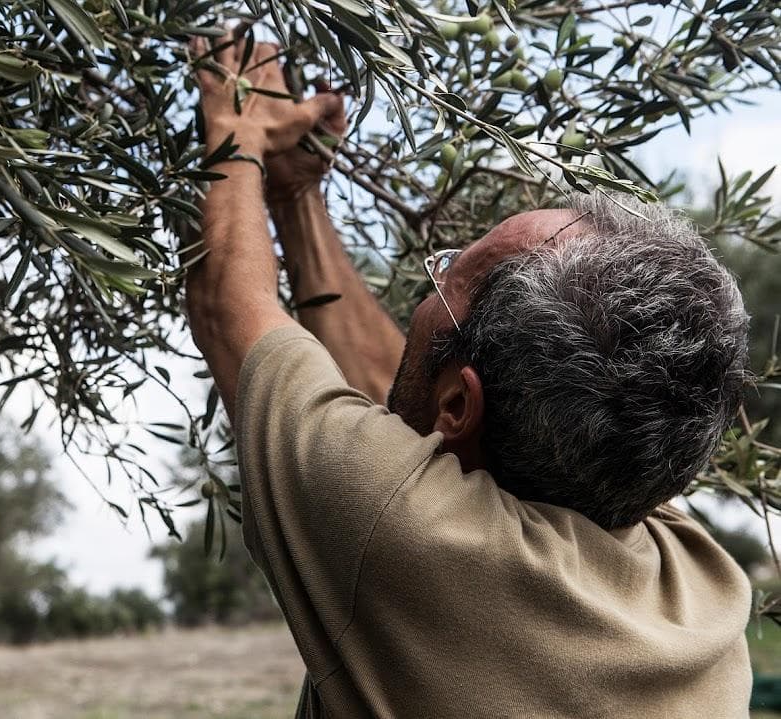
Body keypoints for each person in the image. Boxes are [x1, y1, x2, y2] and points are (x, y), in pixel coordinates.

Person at [185, 32, 753, 717]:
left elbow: (227, 307)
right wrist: (298, 196)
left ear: (458, 406)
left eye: (444, 274)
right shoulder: (695, 575)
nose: (426, 293)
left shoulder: (402, 538)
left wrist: (235, 124)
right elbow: (405, 403)